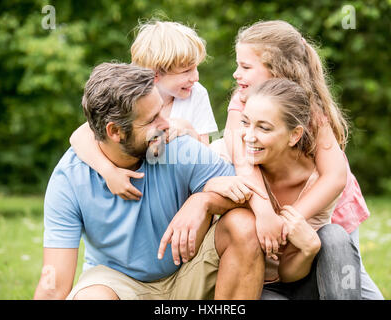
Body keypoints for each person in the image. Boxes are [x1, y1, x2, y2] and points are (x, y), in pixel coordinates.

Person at [33, 62, 266, 300]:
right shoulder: (70, 179)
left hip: (188, 273)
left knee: (243, 225)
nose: (167, 124)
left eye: (161, 111)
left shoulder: (175, 146)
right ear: (115, 132)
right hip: (118, 284)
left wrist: (203, 201)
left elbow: (250, 195)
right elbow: (54, 286)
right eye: (152, 119)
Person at [210, 20, 383, 300]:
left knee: (351, 279)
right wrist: (267, 214)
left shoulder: (309, 106)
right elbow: (243, 160)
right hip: (278, 200)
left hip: (327, 203)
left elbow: (335, 177)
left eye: (245, 66)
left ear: (276, 69)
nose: (236, 73)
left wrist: (290, 221)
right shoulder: (243, 101)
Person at [205, 78, 361, 299]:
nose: (248, 136)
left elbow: (287, 274)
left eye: (264, 128)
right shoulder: (223, 156)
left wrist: (308, 250)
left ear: (294, 135)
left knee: (335, 236)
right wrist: (211, 185)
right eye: (245, 122)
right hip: (254, 287)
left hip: (301, 280)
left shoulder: (318, 183)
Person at [69, 20, 218, 201]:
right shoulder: (130, 95)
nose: (195, 77)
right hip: (137, 190)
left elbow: (207, 158)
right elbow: (79, 137)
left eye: (196, 68)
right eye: (187, 71)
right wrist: (109, 172)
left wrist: (188, 130)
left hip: (178, 195)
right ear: (155, 75)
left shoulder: (196, 94)